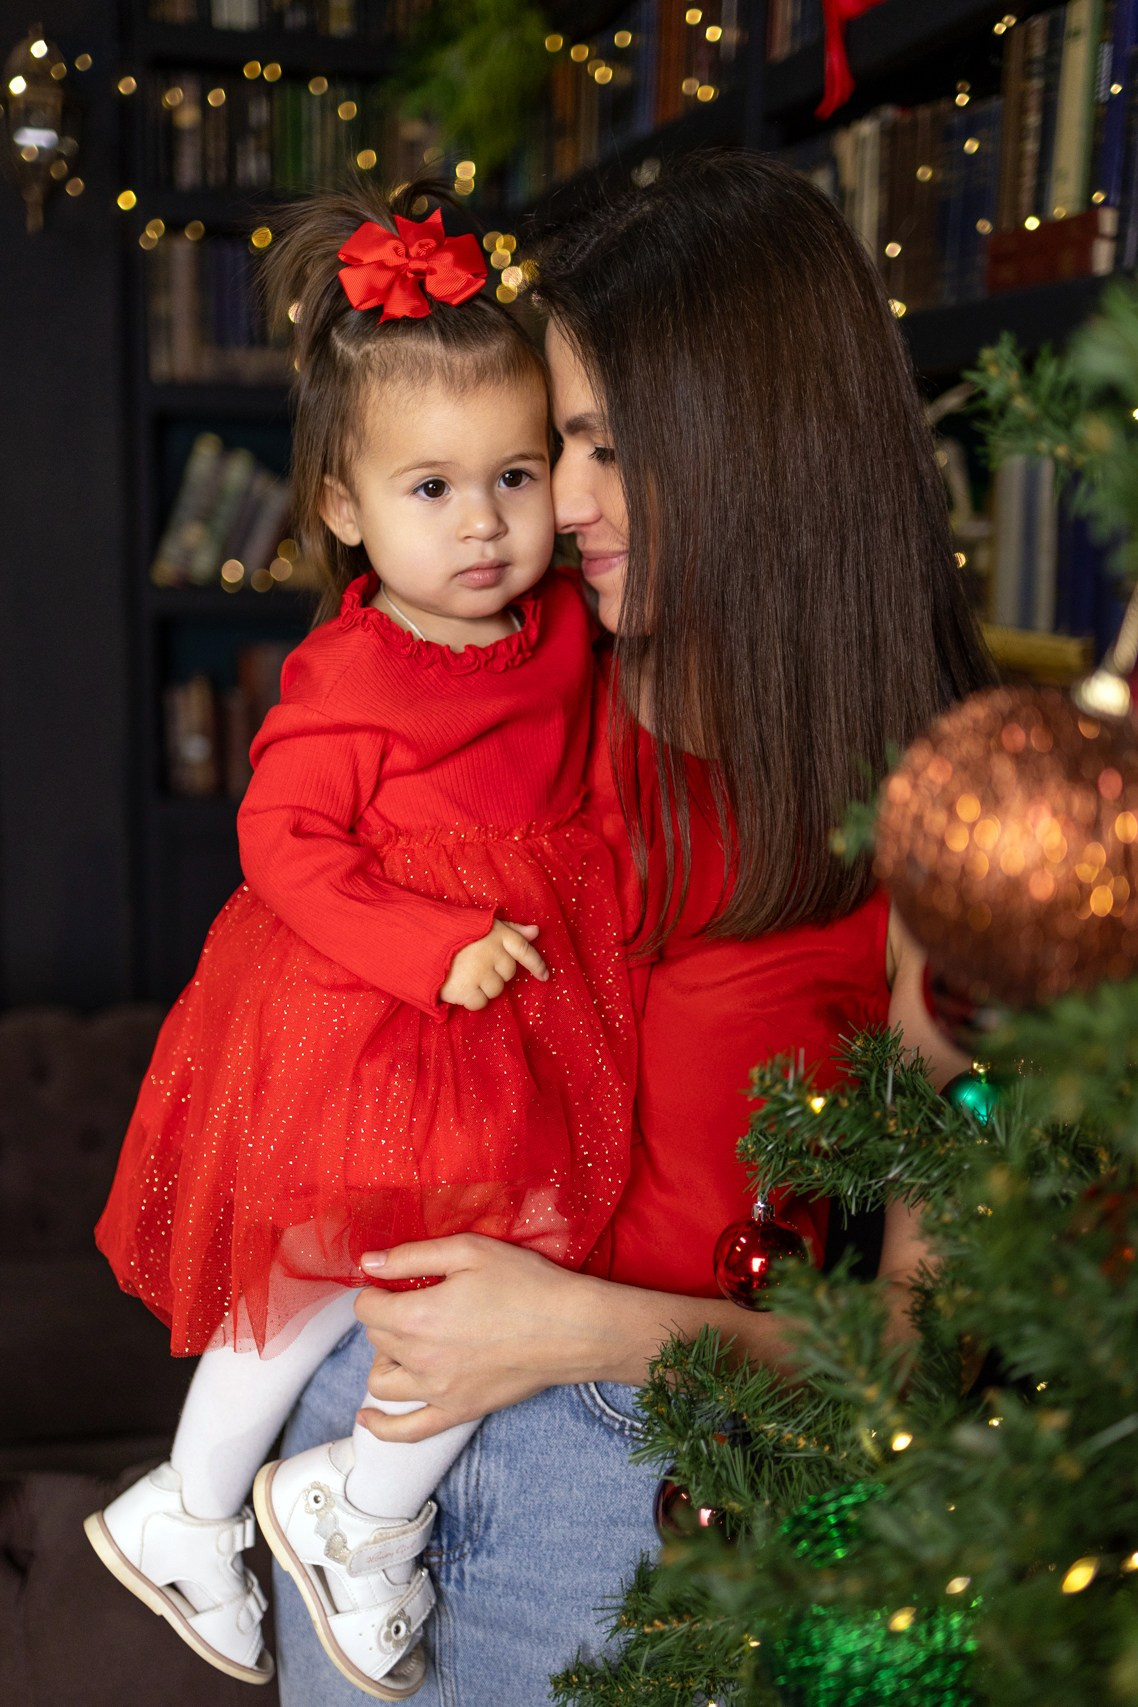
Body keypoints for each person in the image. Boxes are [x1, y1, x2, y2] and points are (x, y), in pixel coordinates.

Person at [271, 150, 997, 1706]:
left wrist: (581, 1331)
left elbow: (922, 1362)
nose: (558, 504)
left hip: (632, 1492)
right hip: (349, 1431)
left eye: (605, 446)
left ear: (763, 449)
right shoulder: (505, 683)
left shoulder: (939, 829)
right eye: (552, 445)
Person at [85, 181, 638, 1699]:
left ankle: (285, 1507)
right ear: (337, 506)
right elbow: (281, 847)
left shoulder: (564, 633)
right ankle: (213, 1506)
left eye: (515, 476)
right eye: (430, 489)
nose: (482, 523)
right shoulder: (350, 677)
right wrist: (424, 946)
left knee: (470, 1267)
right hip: (373, 1006)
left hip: (517, 997)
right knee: (329, 1272)